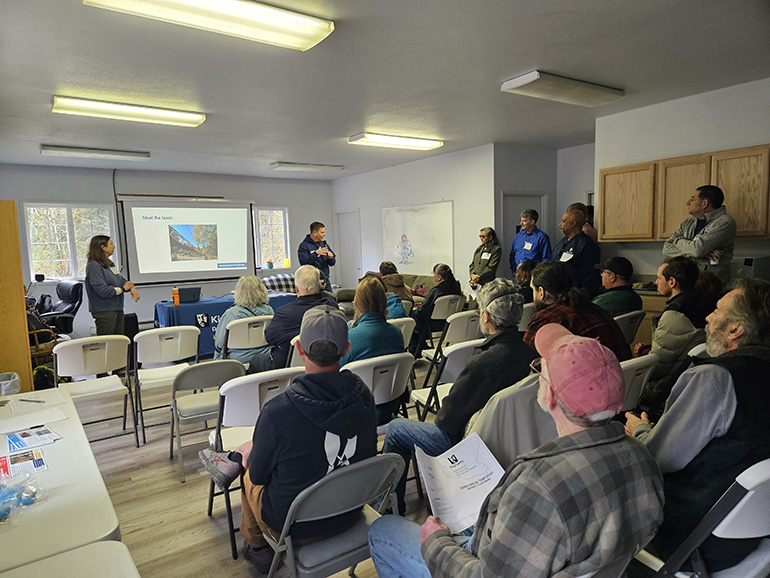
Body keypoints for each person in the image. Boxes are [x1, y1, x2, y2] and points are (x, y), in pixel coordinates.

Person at [370, 324, 664, 578]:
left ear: (550, 395)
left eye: (541, 369)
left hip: (488, 564)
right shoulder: (643, 459)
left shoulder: (538, 485)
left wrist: (435, 543)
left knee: (383, 530)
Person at [200, 305, 377, 572]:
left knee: (249, 471)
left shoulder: (277, 411)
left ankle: (258, 548)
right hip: (350, 511)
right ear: (346, 349)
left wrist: (256, 449)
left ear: (300, 349)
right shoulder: (365, 396)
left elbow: (259, 476)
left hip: (295, 527)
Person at [625, 278, 770, 574]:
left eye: (716, 310)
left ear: (735, 329)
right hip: (747, 534)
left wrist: (640, 431)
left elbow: (657, 460)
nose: (708, 317)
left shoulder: (715, 379)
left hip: (687, 539)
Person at [383, 279, 537, 514]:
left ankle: (390, 509)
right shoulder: (531, 354)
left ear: (486, 316)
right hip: (514, 443)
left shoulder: (481, 364)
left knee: (396, 428)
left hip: (469, 446)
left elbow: (445, 422)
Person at [633, 257, 707, 414]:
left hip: (663, 391)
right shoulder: (700, 305)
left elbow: (657, 367)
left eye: (659, 278)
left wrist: (641, 357)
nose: (655, 282)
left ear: (672, 282)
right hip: (688, 385)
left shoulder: (675, 316)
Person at [525, 261, 631, 361]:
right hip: (622, 371)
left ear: (541, 292)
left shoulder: (546, 320)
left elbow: (526, 361)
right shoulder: (596, 309)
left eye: (533, 289)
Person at [340, 277, 405, 424]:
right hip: (390, 408)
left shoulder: (349, 338)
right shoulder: (397, 333)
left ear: (357, 302)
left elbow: (338, 379)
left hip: (356, 413)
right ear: (384, 301)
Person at [247, 265, 337, 371]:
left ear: (297, 288)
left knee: (255, 360)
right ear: (319, 285)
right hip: (325, 361)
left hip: (286, 366)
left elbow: (269, 338)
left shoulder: (284, 314)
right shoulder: (332, 306)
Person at [663, 185, 736, 282]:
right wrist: (699, 254)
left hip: (710, 284)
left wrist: (678, 241)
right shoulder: (688, 223)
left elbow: (697, 250)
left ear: (704, 203)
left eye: (692, 199)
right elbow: (666, 248)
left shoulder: (725, 222)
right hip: (686, 281)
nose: (688, 203)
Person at [84, 234, 139, 337]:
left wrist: (131, 287)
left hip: (117, 308)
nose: (114, 247)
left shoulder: (109, 263)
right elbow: (103, 291)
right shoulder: (94, 266)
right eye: (111, 244)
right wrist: (123, 289)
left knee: (119, 341)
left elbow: (121, 280)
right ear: (103, 247)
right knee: (108, 343)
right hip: (104, 311)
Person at [213, 275, 274, 365]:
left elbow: (220, 343)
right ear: (262, 290)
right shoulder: (269, 311)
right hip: (264, 357)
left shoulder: (231, 314)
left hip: (237, 360)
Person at [408, 263, 463, 356]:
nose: (433, 276)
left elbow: (423, 313)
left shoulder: (436, 291)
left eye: (434, 274)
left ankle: (416, 350)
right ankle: (421, 347)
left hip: (431, 327)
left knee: (411, 320)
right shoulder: (456, 290)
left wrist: (414, 311)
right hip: (449, 325)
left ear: (439, 277)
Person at [552, 209, 601, 297]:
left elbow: (590, 276)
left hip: (575, 295)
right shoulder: (562, 242)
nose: (560, 224)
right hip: (559, 292)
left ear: (572, 224)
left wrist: (581, 296)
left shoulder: (587, 245)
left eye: (563, 221)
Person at [297, 221, 336, 289]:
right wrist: (316, 253)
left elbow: (332, 263)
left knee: (330, 296)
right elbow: (303, 263)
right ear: (315, 232)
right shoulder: (304, 246)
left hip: (325, 281)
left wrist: (331, 258)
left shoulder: (324, 244)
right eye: (322, 232)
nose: (324, 234)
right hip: (311, 282)